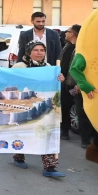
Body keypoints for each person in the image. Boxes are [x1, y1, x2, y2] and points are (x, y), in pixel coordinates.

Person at [11, 41, 66, 178]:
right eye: (36, 50)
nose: (39, 52)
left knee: (47, 134)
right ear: (29, 51)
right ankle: (18, 157)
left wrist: (60, 79)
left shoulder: (48, 67)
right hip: (24, 106)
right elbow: (9, 81)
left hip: (44, 106)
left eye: (42, 50)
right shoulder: (20, 66)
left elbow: (53, 86)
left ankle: (50, 167)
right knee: (23, 133)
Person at [58, 24, 80, 141]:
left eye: (67, 31)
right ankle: (64, 130)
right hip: (63, 81)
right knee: (64, 108)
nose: (65, 33)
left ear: (72, 33)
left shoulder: (81, 48)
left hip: (73, 84)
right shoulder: (67, 46)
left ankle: (84, 137)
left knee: (76, 108)